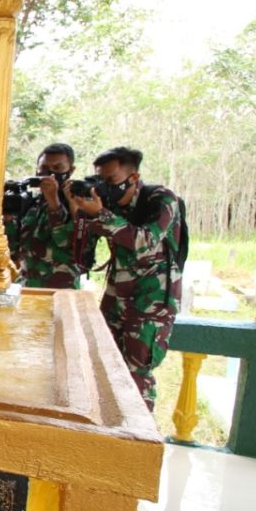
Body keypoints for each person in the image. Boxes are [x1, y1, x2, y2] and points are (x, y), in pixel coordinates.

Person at [64, 146, 184, 410]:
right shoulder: (105, 206)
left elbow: (144, 241)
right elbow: (82, 256)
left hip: (150, 300)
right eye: (99, 180)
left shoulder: (161, 199)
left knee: (136, 371)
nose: (104, 188)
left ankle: (138, 440)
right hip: (116, 295)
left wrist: (101, 214)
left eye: (110, 181)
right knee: (105, 363)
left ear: (134, 178)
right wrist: (80, 210)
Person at [16, 143, 97, 289]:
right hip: (27, 286)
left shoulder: (79, 201)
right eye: (44, 169)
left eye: (58, 168)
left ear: (71, 170)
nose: (50, 174)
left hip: (60, 289)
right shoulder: (34, 202)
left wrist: (54, 202)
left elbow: (70, 244)